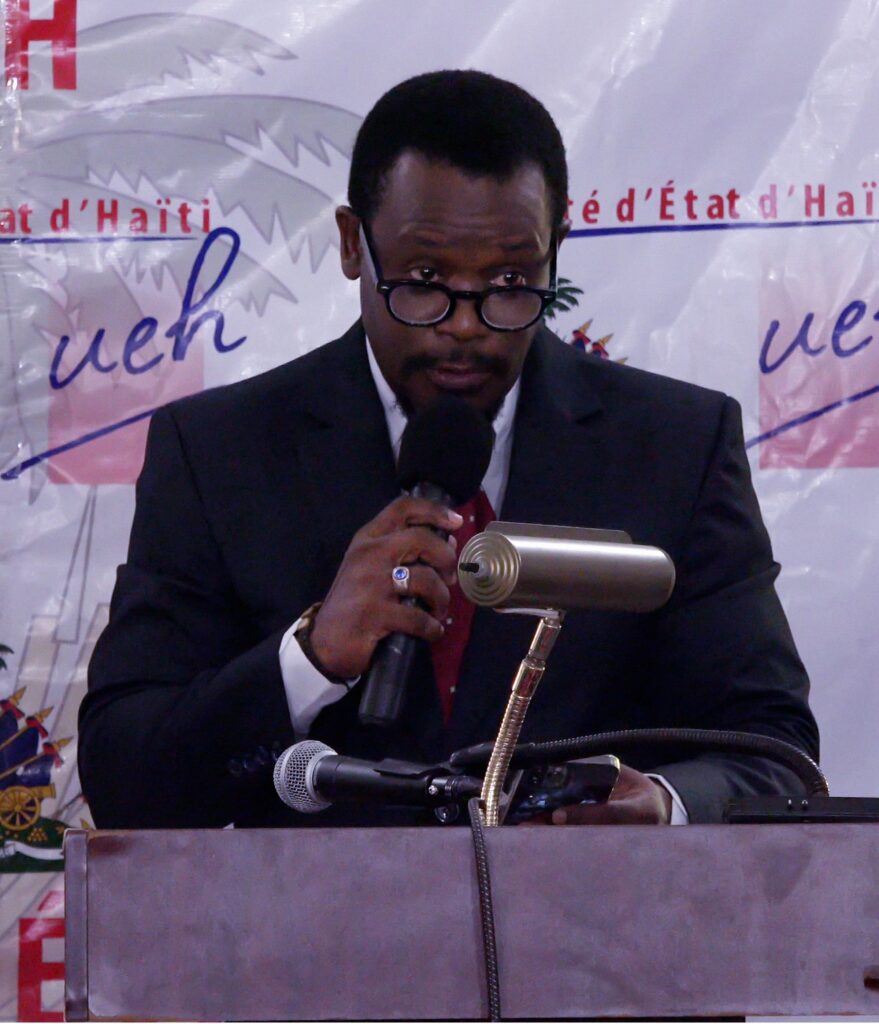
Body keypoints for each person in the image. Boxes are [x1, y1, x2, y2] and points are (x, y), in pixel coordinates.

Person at [79, 70, 818, 829]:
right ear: (352, 244)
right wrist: (311, 657)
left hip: (586, 906)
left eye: (510, 279)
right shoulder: (218, 452)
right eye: (425, 278)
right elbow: (124, 778)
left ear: (556, 250)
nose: (465, 325)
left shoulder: (675, 446)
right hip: (319, 909)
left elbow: (775, 751)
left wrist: (662, 805)